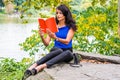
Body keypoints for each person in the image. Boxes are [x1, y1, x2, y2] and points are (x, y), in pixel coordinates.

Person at [22, 4, 77, 80]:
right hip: (56, 50)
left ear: (65, 14)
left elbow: (67, 41)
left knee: (68, 53)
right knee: (59, 50)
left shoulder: (71, 27)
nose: (58, 15)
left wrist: (56, 38)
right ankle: (34, 66)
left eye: (60, 13)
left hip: (66, 52)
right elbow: (46, 43)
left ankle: (41, 66)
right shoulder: (53, 26)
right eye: (57, 13)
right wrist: (42, 36)